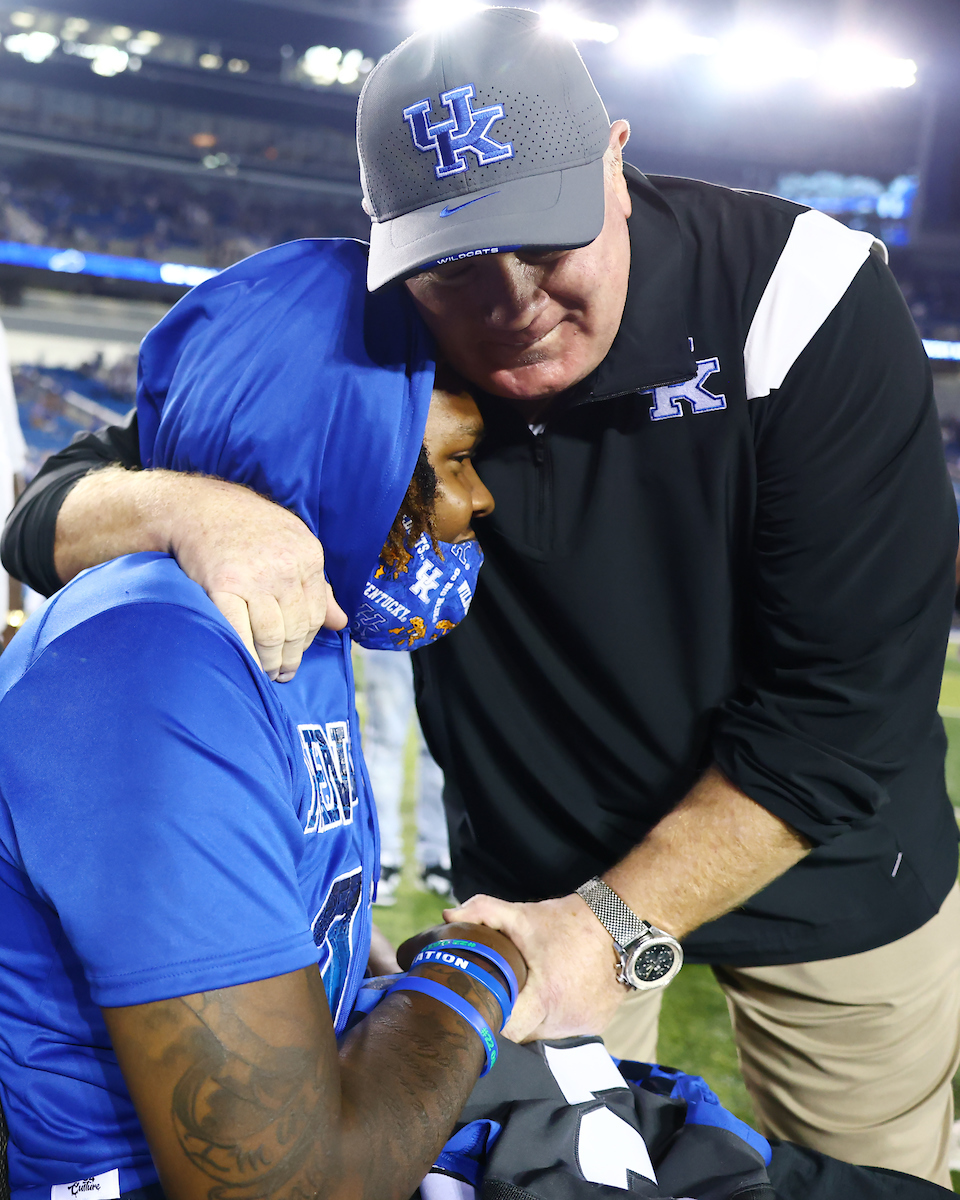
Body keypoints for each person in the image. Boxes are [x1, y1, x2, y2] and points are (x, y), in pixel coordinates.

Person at [3, 7, 958, 1185]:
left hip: (820, 859)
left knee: (864, 1170)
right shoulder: (376, 315)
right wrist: (191, 508)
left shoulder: (798, 298)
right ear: (389, 240)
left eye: (543, 239)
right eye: (456, 260)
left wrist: (614, 928)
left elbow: (840, 714)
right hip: (534, 875)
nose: (510, 304)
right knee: (560, 1160)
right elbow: (54, 499)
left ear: (616, 161)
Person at [0, 238, 530, 1200]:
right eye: (454, 460)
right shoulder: (153, 663)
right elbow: (285, 1187)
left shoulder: (297, 618)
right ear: (340, 458)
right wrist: (480, 968)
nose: (477, 501)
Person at [354, 643, 453, 903]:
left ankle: (439, 858)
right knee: (385, 741)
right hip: (391, 628)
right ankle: (381, 856)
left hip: (444, 629)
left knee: (440, 746)